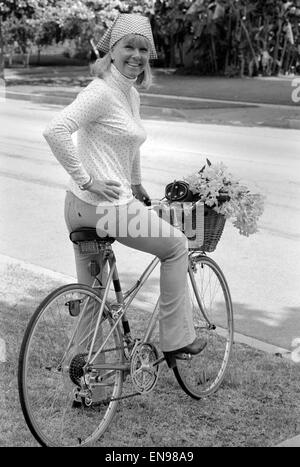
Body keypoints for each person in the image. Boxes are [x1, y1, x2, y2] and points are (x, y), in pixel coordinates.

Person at [43, 13, 206, 369]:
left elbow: (129, 144)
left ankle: (89, 382)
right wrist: (88, 179)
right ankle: (177, 339)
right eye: (129, 46)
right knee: (177, 246)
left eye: (144, 48)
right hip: (108, 208)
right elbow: (55, 130)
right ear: (111, 51)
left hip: (79, 208)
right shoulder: (101, 91)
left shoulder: (129, 94)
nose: (137, 54)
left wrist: (135, 182)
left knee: (93, 295)